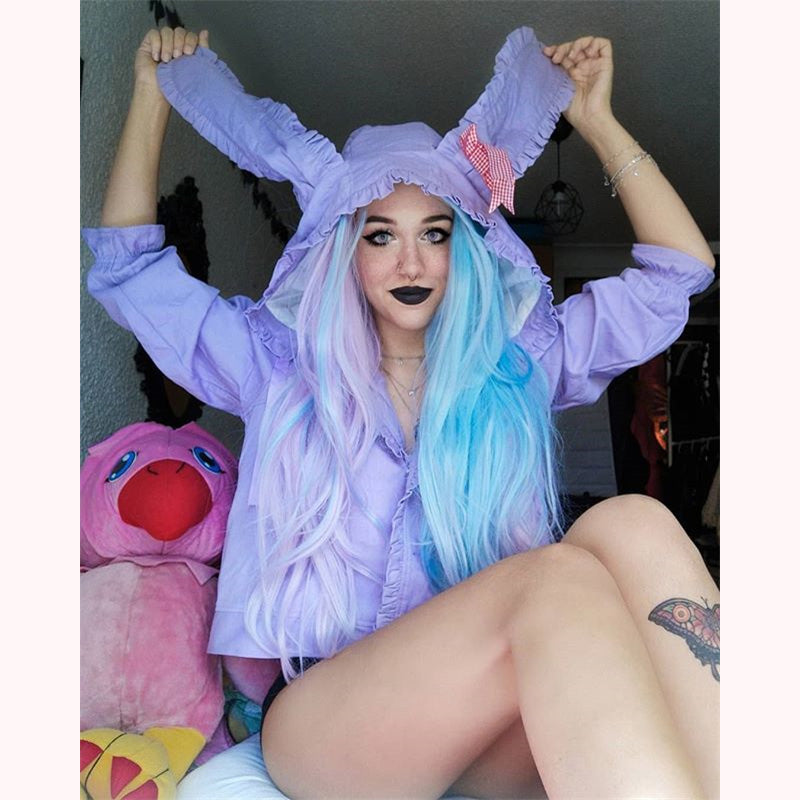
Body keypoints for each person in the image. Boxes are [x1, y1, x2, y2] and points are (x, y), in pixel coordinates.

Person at [83, 24, 719, 800]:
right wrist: (151, 96)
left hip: (477, 720)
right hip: (323, 717)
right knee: (555, 579)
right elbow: (130, 272)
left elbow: (678, 273)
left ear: (466, 250)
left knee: (634, 524)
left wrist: (596, 120)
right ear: (345, 252)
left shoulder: (518, 368)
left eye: (435, 234)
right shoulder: (274, 364)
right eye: (379, 235)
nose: (411, 262)